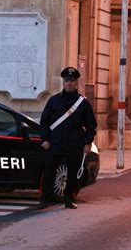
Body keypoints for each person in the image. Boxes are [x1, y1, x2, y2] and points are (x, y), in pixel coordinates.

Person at [37, 67, 97, 210]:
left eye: (72, 81)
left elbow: (91, 125)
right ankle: (45, 199)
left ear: (76, 83)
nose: (69, 83)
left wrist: (88, 142)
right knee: (49, 172)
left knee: (72, 174)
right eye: (67, 81)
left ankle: (69, 200)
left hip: (74, 144)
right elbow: (44, 122)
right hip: (54, 143)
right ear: (63, 82)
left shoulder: (83, 103)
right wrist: (44, 140)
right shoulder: (53, 101)